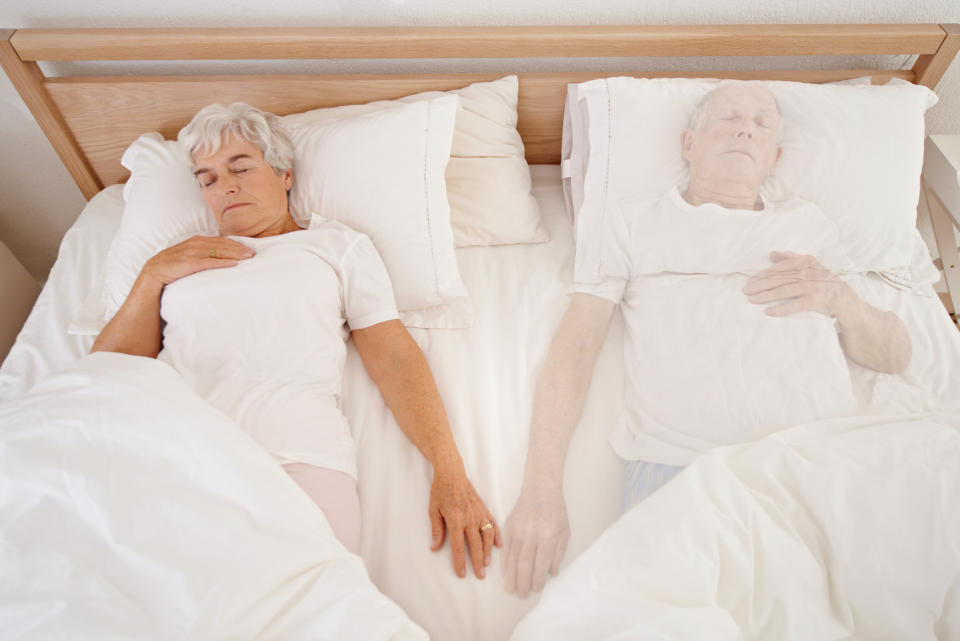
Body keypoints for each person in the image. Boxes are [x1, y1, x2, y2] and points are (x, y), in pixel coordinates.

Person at [501, 81, 913, 597]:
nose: (746, 127)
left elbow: (895, 356)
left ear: (775, 158)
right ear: (688, 143)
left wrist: (842, 301)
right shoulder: (630, 222)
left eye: (763, 124)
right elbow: (575, 350)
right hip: (682, 470)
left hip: (814, 467)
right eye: (729, 117)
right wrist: (540, 491)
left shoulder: (808, 224)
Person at [92, 102, 501, 578]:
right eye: (206, 178)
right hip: (182, 456)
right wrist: (152, 275)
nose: (224, 185)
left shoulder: (334, 247)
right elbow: (105, 373)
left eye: (240, 167)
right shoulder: (176, 261)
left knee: (303, 607)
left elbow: (393, 356)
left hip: (299, 458)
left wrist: (449, 472)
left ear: (284, 173)